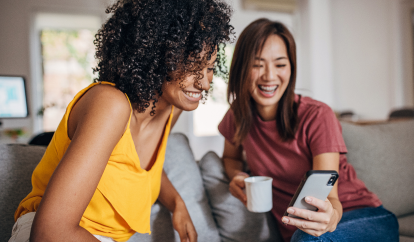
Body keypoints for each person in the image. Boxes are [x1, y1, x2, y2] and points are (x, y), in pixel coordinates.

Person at [9, 0, 234, 241]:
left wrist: (178, 203)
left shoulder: (170, 109)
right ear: (155, 56)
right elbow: (49, 233)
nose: (204, 83)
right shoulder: (109, 104)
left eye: (209, 68)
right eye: (192, 66)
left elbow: (141, 167)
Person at [218, 18, 399, 242]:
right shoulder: (238, 115)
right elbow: (230, 157)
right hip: (300, 231)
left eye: (280, 64)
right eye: (257, 64)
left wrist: (330, 217)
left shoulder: (317, 115)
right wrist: (238, 177)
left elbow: (330, 197)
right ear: (241, 68)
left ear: (291, 68)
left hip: (363, 217)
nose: (269, 76)